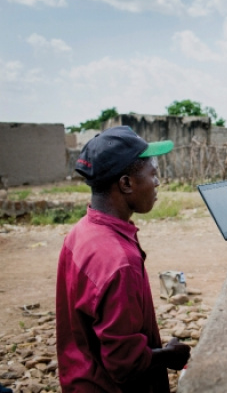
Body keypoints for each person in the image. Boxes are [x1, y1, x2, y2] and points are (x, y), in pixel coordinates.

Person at [56, 126, 191, 392]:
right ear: (126, 183)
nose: (157, 182)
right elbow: (125, 364)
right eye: (152, 174)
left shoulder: (81, 233)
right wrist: (168, 355)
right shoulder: (120, 261)